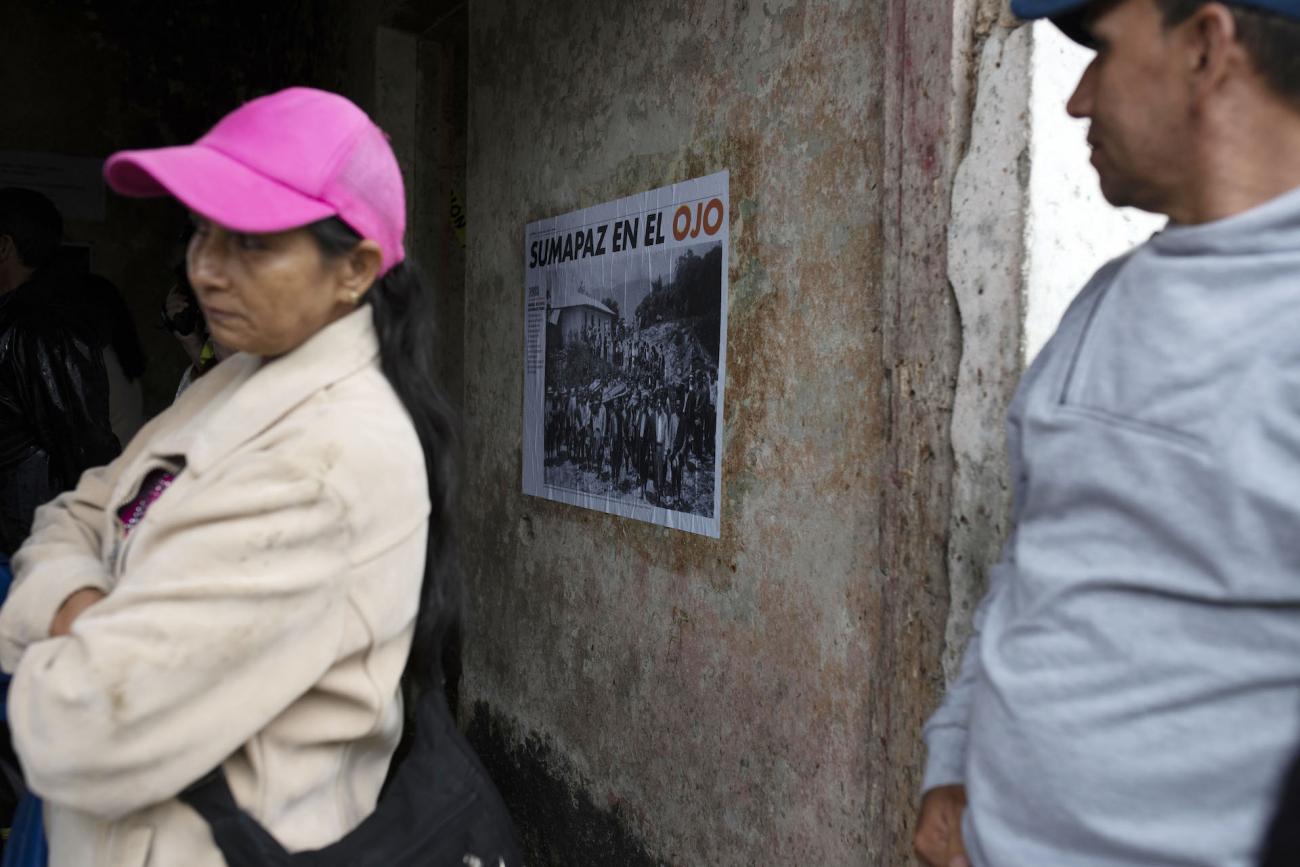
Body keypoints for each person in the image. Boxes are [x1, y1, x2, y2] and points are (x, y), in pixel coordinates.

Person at [0, 87, 459, 867]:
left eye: (249, 241)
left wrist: (59, 607)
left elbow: (81, 725)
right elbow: (73, 508)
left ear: (355, 268)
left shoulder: (330, 459)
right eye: (201, 230)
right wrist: (93, 611)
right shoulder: (234, 378)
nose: (206, 270)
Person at [914, 2, 1300, 866]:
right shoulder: (1104, 300)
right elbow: (1033, 559)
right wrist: (952, 763)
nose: (1076, 100)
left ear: (1206, 47)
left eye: (1100, 52)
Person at [0, 188, 119, 556]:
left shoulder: (42, 326)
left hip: (30, 537)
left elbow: (82, 440)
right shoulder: (18, 319)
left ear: (4, 246)